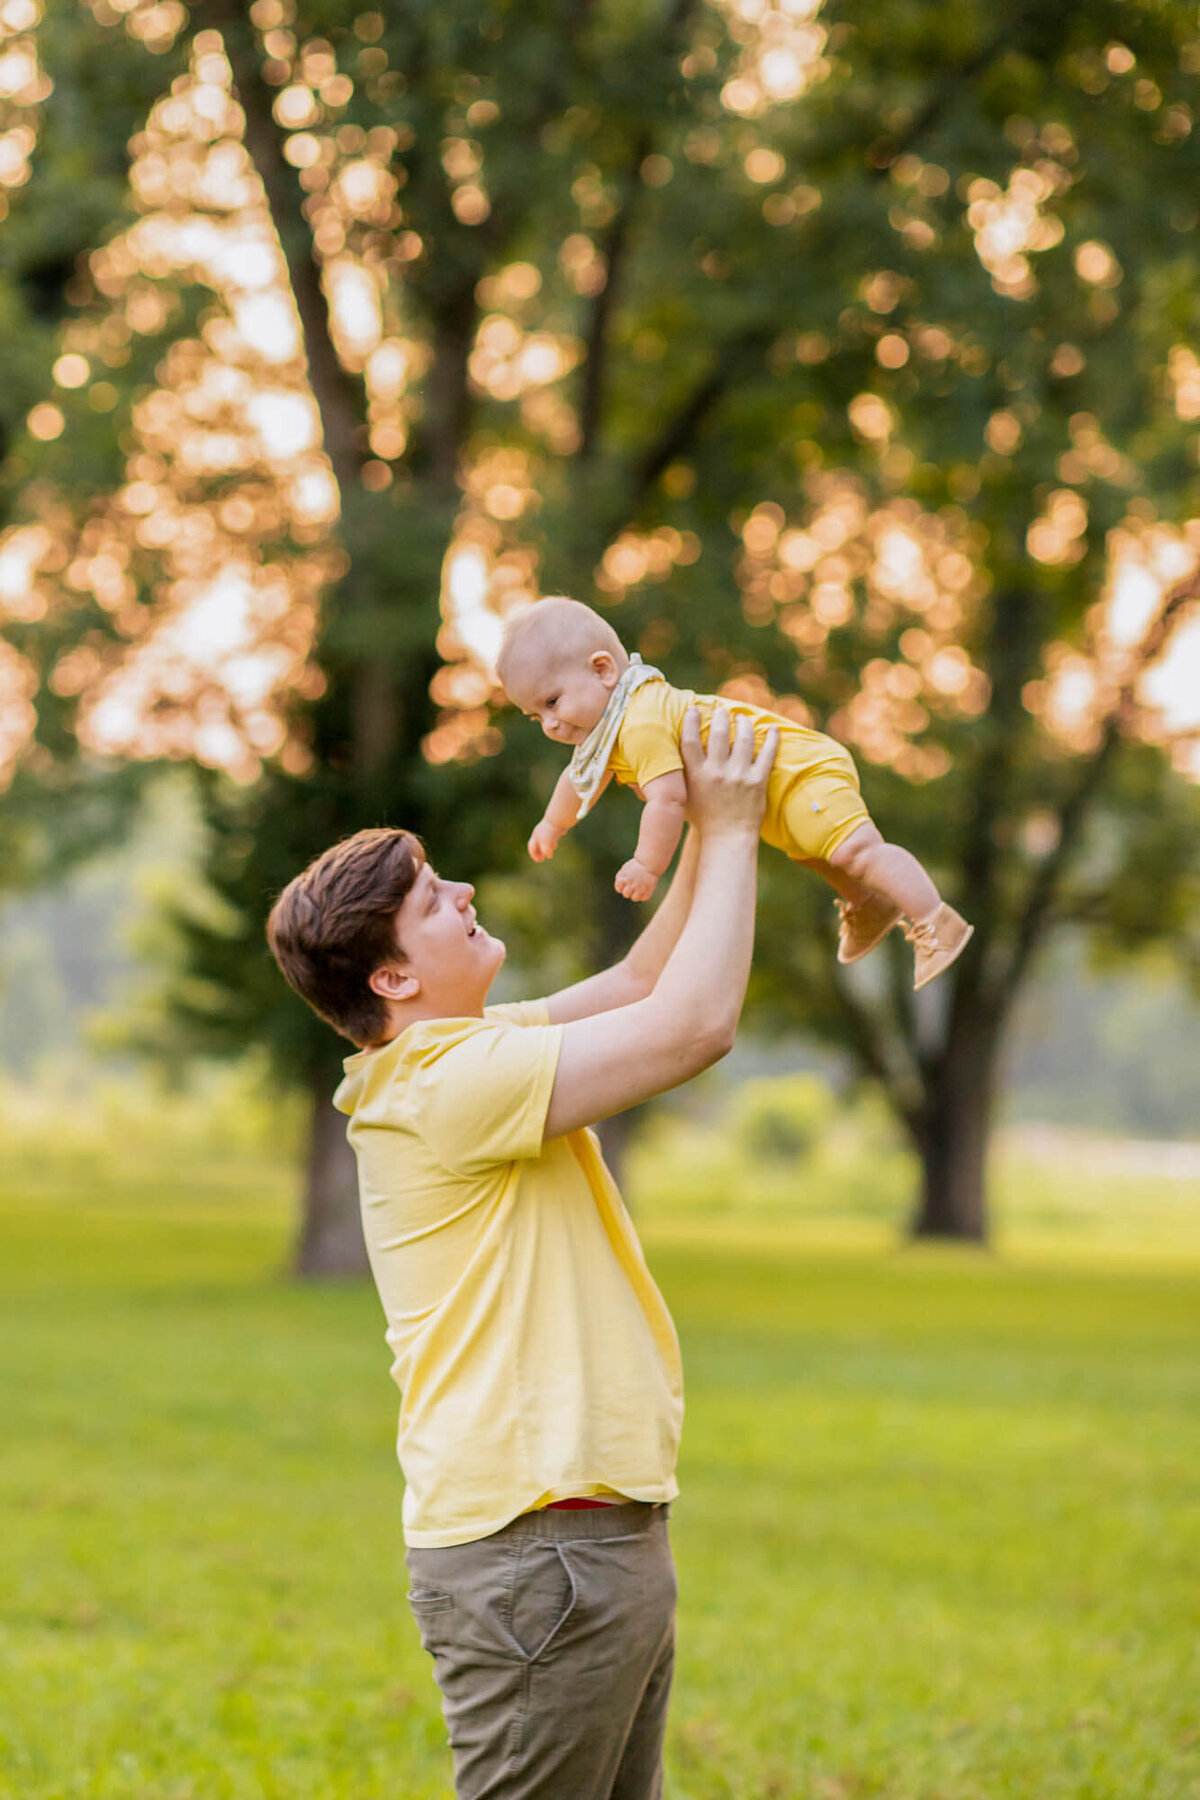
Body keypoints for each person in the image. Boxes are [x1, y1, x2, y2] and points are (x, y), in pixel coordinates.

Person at [265, 708, 777, 1800]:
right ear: (393, 978)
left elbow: (644, 984)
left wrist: (705, 818)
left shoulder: (468, 1056)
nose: (465, 898)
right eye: (434, 902)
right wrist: (730, 837)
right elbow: (693, 1028)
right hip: (537, 1554)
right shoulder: (447, 1088)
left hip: (585, 1541)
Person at [497, 595, 973, 991]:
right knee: (812, 852)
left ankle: (936, 919)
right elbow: (578, 778)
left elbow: (668, 799)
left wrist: (647, 865)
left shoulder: (640, 722)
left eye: (552, 701)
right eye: (537, 716)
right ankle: (870, 905)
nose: (551, 724)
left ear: (602, 670)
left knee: (857, 850)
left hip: (796, 768)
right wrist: (551, 823)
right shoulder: (609, 730)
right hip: (770, 788)